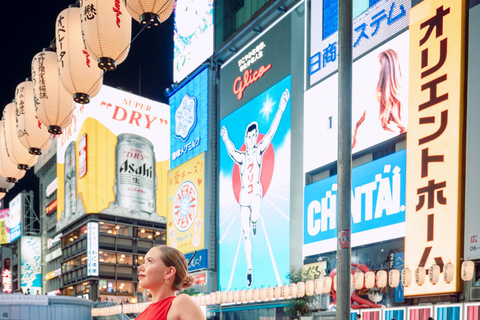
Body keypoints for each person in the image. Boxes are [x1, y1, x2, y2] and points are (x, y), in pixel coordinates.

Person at [220, 88, 290, 287]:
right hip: (244, 197)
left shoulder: (259, 150)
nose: (252, 139)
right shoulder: (242, 157)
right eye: (249, 136)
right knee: (244, 233)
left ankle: (255, 221)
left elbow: (272, 131)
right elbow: (232, 151)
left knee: (254, 216)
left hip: (256, 192)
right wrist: (225, 137)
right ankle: (249, 269)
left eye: (254, 136)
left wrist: (282, 106)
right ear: (246, 138)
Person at [352, 49, 406, 149]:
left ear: (382, 87)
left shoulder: (387, 132)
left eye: (368, 76)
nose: (363, 82)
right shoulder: (359, 125)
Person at [135, 245, 205, 320]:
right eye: (144, 262)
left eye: (149, 261)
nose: (140, 267)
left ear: (169, 272)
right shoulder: (147, 309)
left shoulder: (181, 303)